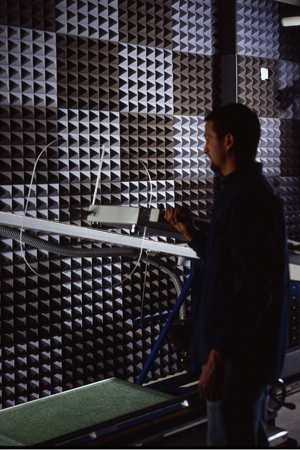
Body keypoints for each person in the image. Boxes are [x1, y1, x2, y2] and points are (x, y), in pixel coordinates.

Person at [165, 103, 290, 447]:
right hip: (239, 354)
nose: (205, 147)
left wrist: (219, 356)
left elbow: (253, 288)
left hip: (240, 357)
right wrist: (192, 233)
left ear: (229, 140)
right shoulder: (238, 191)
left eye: (208, 138)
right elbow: (228, 262)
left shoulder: (252, 198)